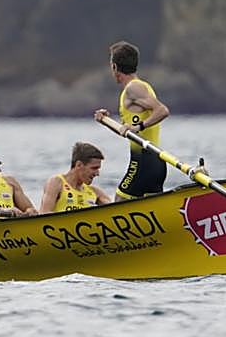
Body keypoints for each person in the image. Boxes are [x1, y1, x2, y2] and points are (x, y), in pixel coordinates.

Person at [94, 40, 170, 200]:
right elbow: (127, 132)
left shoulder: (133, 88)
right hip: (155, 161)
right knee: (150, 208)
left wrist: (138, 126)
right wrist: (106, 121)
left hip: (143, 161)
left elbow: (162, 111)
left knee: (119, 201)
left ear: (114, 67)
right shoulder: (142, 87)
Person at [40, 142, 112, 213]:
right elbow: (44, 212)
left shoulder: (95, 192)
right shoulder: (56, 183)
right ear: (79, 165)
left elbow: (114, 209)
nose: (97, 173)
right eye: (94, 168)